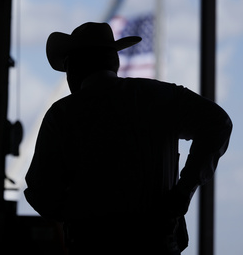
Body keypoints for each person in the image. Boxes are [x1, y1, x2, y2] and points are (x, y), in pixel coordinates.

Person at [24, 22, 232, 255]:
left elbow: (40, 194)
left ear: (73, 67)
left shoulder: (62, 115)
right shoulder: (162, 98)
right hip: (158, 245)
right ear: (115, 61)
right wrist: (183, 191)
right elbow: (218, 123)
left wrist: (80, 214)